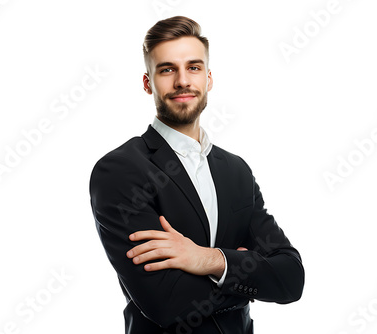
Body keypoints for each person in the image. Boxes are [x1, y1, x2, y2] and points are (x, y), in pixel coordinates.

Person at [89, 16, 304, 334]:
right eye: (166, 69)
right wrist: (251, 276)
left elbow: (291, 278)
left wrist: (210, 260)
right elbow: (165, 301)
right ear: (148, 82)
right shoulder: (120, 171)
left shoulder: (236, 170)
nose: (182, 81)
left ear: (208, 78)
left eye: (193, 67)